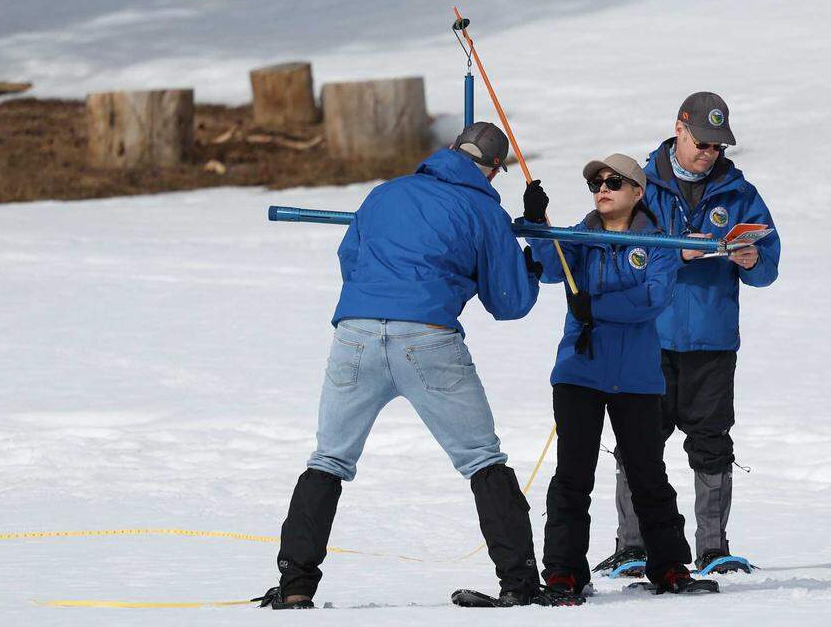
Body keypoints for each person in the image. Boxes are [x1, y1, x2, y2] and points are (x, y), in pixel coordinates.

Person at [255, 122, 579, 609]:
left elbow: (351, 259)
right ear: (494, 171)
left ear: (449, 151)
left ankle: (296, 584)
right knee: (481, 459)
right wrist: (528, 263)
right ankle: (519, 584)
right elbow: (508, 302)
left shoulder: (386, 193)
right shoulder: (483, 210)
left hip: (355, 333)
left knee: (329, 459)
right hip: (427, 338)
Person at [594, 92, 781, 577]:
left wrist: (752, 260)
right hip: (647, 338)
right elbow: (612, 248)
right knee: (638, 442)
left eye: (718, 146)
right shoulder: (639, 185)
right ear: (679, 128)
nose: (709, 152)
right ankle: (632, 547)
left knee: (712, 442)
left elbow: (768, 268)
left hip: (712, 342)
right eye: (702, 142)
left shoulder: (740, 192)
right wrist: (674, 255)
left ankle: (714, 548)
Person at [522, 153, 719, 598]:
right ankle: (564, 572)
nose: (602, 188)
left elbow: (652, 299)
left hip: (636, 379)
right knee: (574, 475)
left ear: (637, 190)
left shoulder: (659, 244)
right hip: (579, 373)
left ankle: (669, 567)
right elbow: (551, 268)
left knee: (647, 474)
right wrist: (536, 222)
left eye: (614, 181)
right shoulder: (578, 236)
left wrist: (597, 307)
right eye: (596, 183)